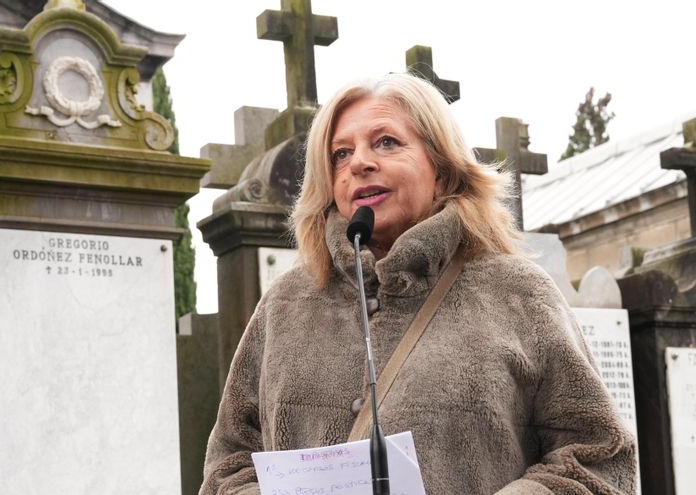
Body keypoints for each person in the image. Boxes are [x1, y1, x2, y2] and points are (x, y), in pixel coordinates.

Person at [199, 73, 637, 494]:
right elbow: (229, 462)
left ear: (442, 170)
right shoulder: (287, 301)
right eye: (340, 154)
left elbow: (598, 459)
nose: (360, 163)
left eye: (386, 142)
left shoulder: (518, 293)